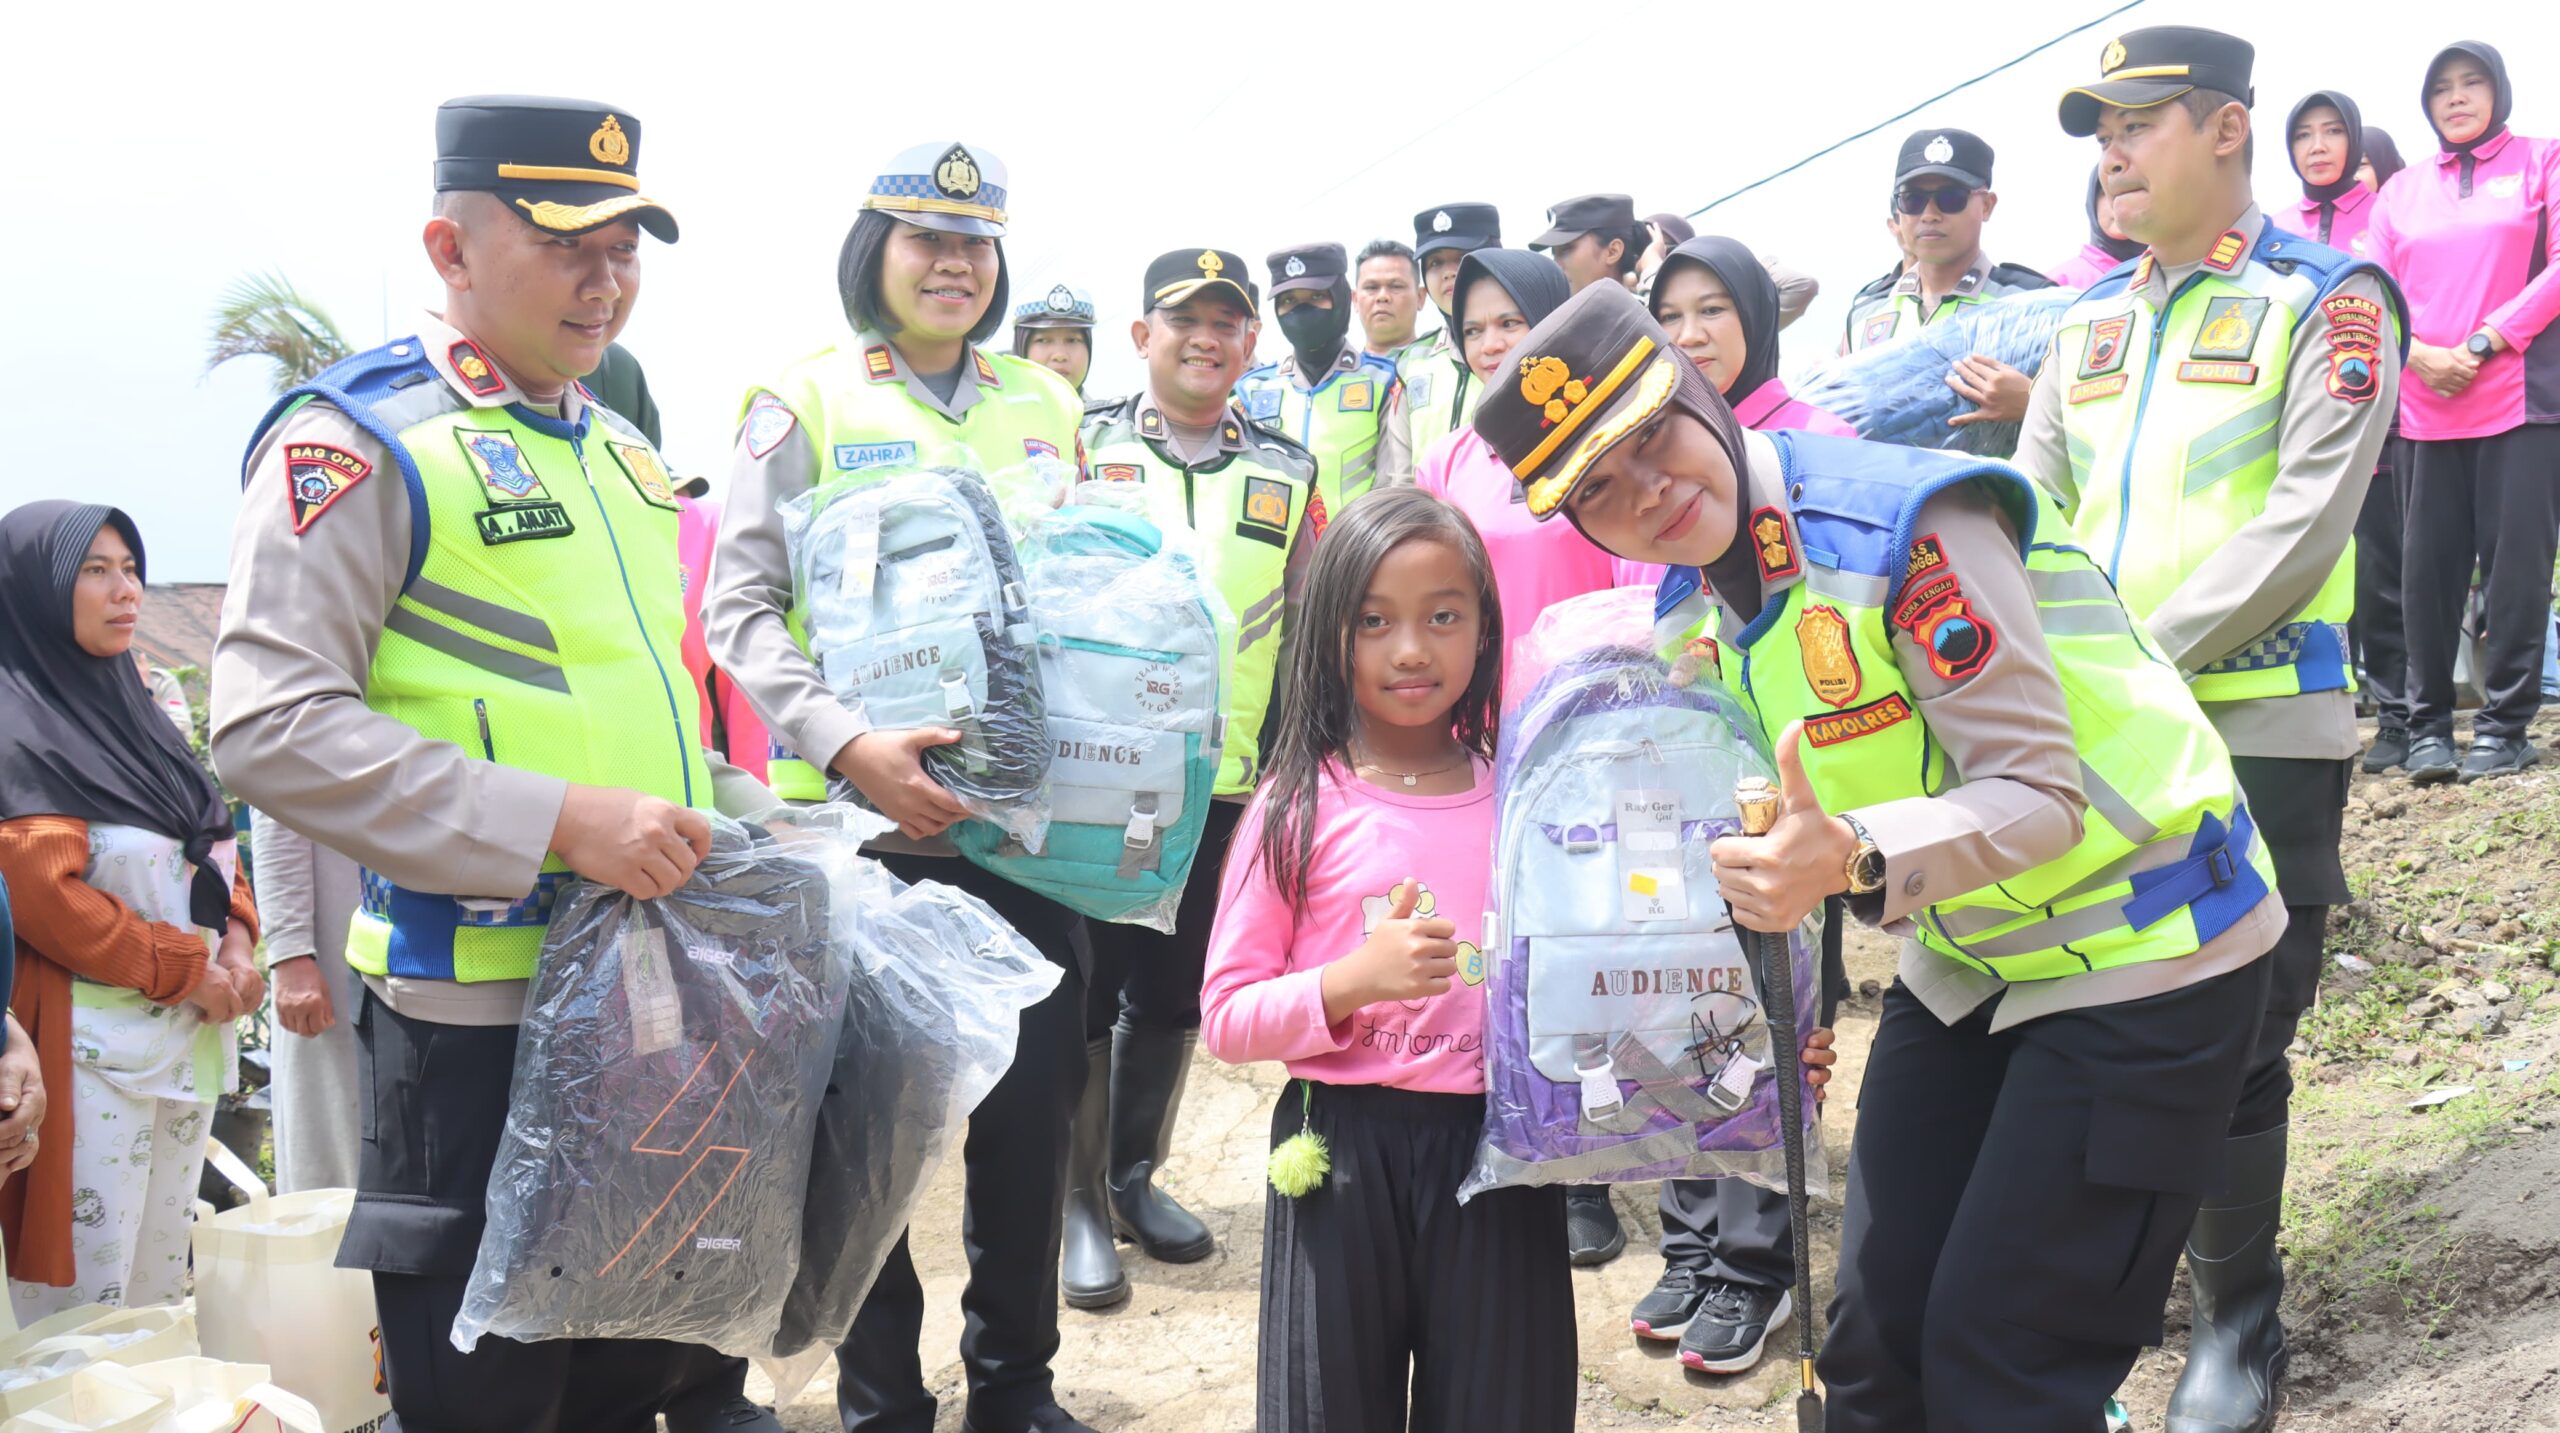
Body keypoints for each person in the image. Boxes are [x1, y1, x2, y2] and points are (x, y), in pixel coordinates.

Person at [1478, 280, 2284, 1428]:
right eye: (1596, 489)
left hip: (2149, 935)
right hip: (1971, 952)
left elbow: (2042, 796)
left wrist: (1850, 855)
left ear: (1705, 386)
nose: (1648, 491)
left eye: (1651, 434)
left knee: (2001, 1356)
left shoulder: (1907, 524)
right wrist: (1772, 1004)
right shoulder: (1688, 604)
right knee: (1873, 1345)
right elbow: (1779, 819)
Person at [209, 97, 782, 1432]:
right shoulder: (356, 440)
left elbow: (649, 725)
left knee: (638, 1371)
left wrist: (772, 829)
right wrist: (553, 821)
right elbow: (265, 721)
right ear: (449, 249)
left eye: (629, 245)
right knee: (489, 1397)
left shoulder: (624, 459)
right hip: (475, 1020)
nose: (608, 277)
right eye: (568, 241)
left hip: (649, 1009)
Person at [2029, 30, 2406, 1431]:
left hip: (2258, 723)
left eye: (2138, 124)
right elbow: (2032, 520)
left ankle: (2240, 1321)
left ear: (2228, 130)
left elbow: (2309, 516)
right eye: (2101, 132)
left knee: (2243, 1024)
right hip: (2100, 731)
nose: (2112, 153)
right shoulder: (2084, 323)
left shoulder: (2333, 300)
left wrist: (2135, 661)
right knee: (2101, 1009)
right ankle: (2101, 1305)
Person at [704, 139, 1097, 1433]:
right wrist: (845, 743)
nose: (953, 263)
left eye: (976, 242)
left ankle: (1017, 1386)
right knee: (872, 1135)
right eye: (926, 238)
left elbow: (1082, 597)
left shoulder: (1044, 402)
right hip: (866, 832)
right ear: (874, 255)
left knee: (1029, 1120)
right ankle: (883, 1400)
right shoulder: (802, 398)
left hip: (1027, 835)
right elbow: (741, 612)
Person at [1198, 488, 1577, 1432]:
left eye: (1443, 615)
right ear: (1331, 635)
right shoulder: (1295, 806)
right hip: (1341, 1153)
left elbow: (1594, 977)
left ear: (1485, 627)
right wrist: (1350, 981)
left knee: (1506, 1401)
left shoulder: (1529, 798)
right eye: (1374, 621)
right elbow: (1227, 1014)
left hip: (1501, 1151)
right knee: (1329, 1406)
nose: (1411, 648)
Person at [1059, 248, 1322, 1312]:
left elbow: (1310, 614)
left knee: (1170, 992)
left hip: (1227, 780)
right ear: (1142, 336)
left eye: (1227, 322)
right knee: (1087, 983)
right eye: (1184, 320)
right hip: (1102, 778)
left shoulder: (1289, 469)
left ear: (1249, 345)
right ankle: (1077, 1202)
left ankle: (1131, 1176)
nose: (1206, 338)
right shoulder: (1087, 447)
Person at [1625, 234, 1857, 1373]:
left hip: (1784, 780)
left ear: (1758, 321)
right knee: (1678, 1000)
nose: (1692, 332)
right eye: (1670, 313)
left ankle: (1758, 1258)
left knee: (1769, 1008)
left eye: (1715, 309)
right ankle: (1692, 1235)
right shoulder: (1636, 449)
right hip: (1670, 774)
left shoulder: (1808, 437)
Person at [0, 502, 209, 1319]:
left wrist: (236, 946)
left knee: (161, 1292)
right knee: (88, 1309)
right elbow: (43, 895)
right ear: (39, 589)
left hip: (183, 1041)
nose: (125, 590)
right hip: (81, 1051)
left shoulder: (143, 708)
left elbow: (208, 834)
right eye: (95, 570)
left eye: (131, 568)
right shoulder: (18, 726)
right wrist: (191, 968)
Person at [2369, 40, 2560, 784]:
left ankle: (2505, 725)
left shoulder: (2543, 160)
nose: (2456, 98)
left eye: (2472, 83)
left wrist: (2484, 341)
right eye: (2442, 87)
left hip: (2518, 399)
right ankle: (2428, 730)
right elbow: (2373, 291)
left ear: (2498, 90)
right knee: (2426, 573)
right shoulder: (2402, 190)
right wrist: (2420, 356)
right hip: (2423, 403)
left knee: (2515, 568)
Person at [2277, 90, 2416, 772]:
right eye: (2305, 134)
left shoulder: (2388, 212)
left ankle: (2400, 716)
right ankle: (2334, 712)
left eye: (2334, 131)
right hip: (2302, 439)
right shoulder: (2275, 229)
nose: (2320, 145)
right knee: (2322, 580)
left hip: (2383, 433)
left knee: (2386, 577)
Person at [1417, 249, 1649, 651]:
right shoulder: (1445, 464)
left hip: (1600, 696)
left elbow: (1645, 591)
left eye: (1509, 323)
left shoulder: (1611, 438)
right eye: (1472, 331)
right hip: (1482, 704)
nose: (1490, 345)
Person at [1237, 243, 1407, 516]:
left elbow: (1395, 485)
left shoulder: (1383, 382)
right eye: (1289, 301)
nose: (1302, 312)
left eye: (1316, 297)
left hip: (1355, 551)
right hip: (1276, 553)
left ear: (1340, 298)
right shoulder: (1253, 390)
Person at [247, 809, 362, 1193]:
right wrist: (291, 950)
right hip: (334, 943)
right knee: (332, 1134)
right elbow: (275, 804)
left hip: (433, 944)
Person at [1389, 202, 1503, 480]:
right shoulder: (1411, 362)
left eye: (1462, 256)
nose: (1449, 272)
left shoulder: (1525, 343)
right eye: (1435, 262)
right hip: (1427, 520)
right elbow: (1401, 477)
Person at [2045, 166, 2147, 289]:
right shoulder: (2057, 284)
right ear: (2092, 202)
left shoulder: (2168, 275)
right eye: (2106, 192)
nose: (2120, 204)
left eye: (2131, 192)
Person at [1530, 192, 1644, 294]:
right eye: (1554, 254)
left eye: (1566, 250)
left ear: (1613, 252)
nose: (1556, 265)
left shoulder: (1647, 315)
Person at [1012, 284, 1097, 392]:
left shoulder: (1109, 409)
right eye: (1043, 340)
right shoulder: (996, 408)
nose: (1060, 355)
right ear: (1021, 346)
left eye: (1072, 340)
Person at [1354, 239, 1426, 360]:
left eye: (1396, 286)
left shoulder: (1450, 366)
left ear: (1420, 297)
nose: (1382, 296)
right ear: (1355, 300)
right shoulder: (1338, 376)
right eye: (1371, 287)